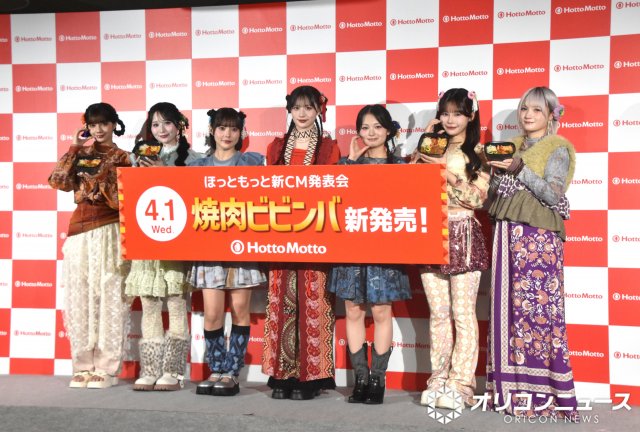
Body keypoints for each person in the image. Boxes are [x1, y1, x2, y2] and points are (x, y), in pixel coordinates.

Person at [485, 86, 578, 420]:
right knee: (506, 313)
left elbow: (553, 195)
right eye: (524, 108)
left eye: (537, 110)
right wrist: (498, 177)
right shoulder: (512, 146)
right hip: (505, 234)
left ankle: (545, 394)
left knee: (538, 313)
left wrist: (518, 169)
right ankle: (509, 393)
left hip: (537, 240)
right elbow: (494, 196)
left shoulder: (558, 147)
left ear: (551, 115)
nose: (528, 115)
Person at [412, 88, 490, 408]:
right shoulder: (429, 148)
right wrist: (425, 143)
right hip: (431, 233)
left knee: (463, 313)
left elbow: (477, 199)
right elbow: (409, 187)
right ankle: (438, 378)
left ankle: (461, 384)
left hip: (463, 233)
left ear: (470, 116)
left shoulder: (479, 152)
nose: (450, 119)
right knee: (439, 314)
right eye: (445, 113)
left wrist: (447, 170)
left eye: (458, 113)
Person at [261, 85, 340, 400]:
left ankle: (311, 378)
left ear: (319, 110)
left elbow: (333, 189)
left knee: (313, 302)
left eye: (308, 107)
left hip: (316, 233)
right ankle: (282, 375)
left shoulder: (329, 148)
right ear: (290, 111)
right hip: (280, 233)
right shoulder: (276, 147)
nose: (303, 113)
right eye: (297, 108)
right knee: (280, 303)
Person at [328, 104, 411, 405]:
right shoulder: (346, 165)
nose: (371, 133)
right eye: (365, 127)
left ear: (389, 131)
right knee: (353, 311)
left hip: (385, 250)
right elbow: (333, 200)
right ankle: (360, 379)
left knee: (381, 312)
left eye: (377, 126)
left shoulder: (401, 167)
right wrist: (350, 162)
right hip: (351, 249)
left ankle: (378, 380)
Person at [48, 102, 131, 389]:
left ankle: (107, 368)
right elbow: (58, 181)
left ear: (113, 125)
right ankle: (82, 366)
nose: (98, 129)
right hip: (80, 233)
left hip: (110, 230)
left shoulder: (123, 157)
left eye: (104, 123)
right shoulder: (79, 154)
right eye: (93, 124)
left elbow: (124, 199)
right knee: (81, 298)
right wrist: (74, 147)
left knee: (110, 297)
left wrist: (101, 186)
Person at [188, 108, 267, 396]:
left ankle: (232, 372)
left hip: (241, 247)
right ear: (212, 130)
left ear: (241, 132)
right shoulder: (197, 166)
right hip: (209, 249)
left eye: (233, 129)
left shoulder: (253, 162)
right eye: (222, 128)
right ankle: (216, 368)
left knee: (240, 310)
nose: (227, 134)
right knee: (211, 314)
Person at [125, 102, 201, 391]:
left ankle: (173, 371)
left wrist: (164, 172)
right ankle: (150, 369)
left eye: (167, 123)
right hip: (145, 241)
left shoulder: (194, 159)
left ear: (179, 125)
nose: (161, 130)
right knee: (149, 305)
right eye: (155, 124)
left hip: (175, 242)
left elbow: (194, 197)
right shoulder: (136, 157)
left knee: (177, 304)